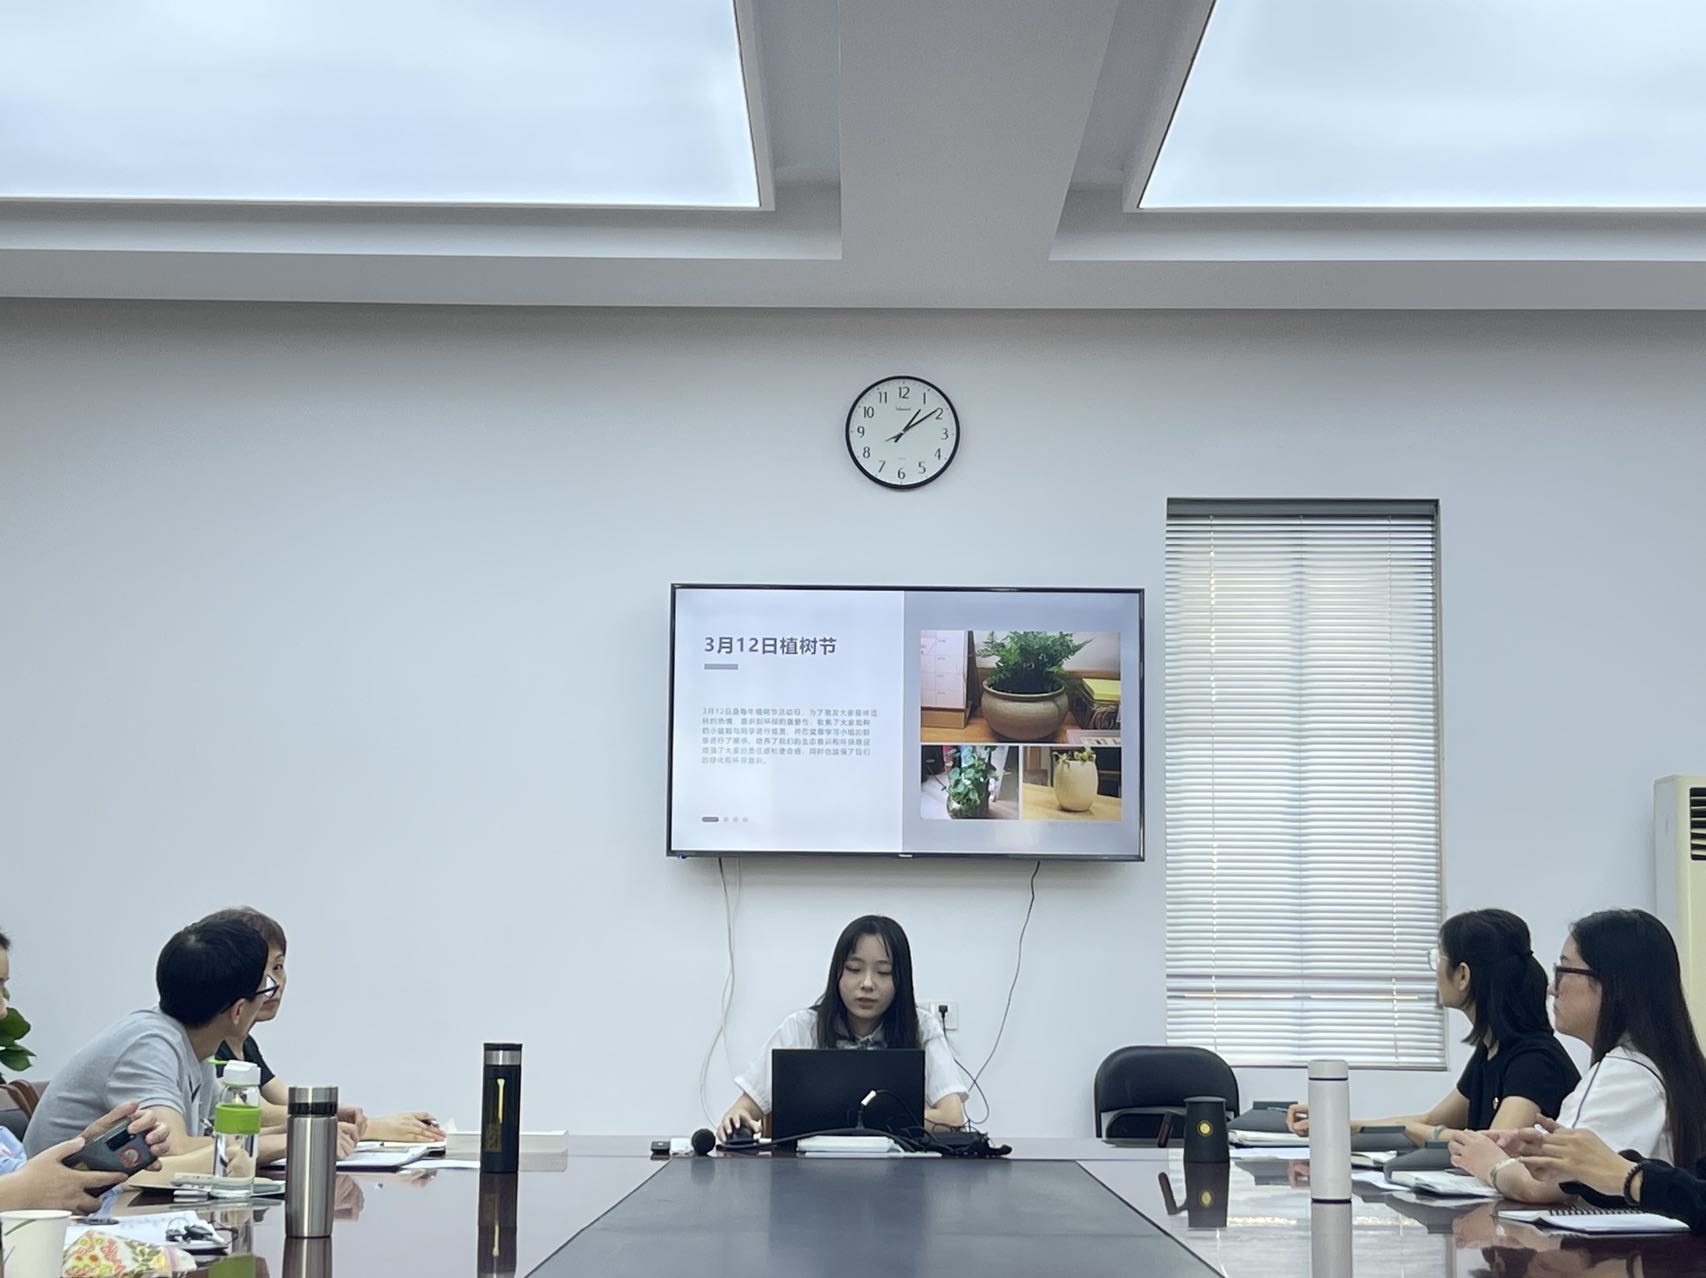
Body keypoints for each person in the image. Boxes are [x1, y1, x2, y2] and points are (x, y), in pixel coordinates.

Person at [23, 918, 354, 1173]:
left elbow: (222, 1134)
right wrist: (293, 1142)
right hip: (55, 1220)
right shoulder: (149, 1045)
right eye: (265, 987)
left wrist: (306, 1126)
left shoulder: (194, 1045)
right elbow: (175, 1149)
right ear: (238, 1010)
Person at [1450, 909, 1706, 1202]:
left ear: (1613, 985)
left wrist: (1491, 1164)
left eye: (1564, 971)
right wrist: (1531, 1148)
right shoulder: (1655, 1065)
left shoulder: (1624, 1072)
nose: (1551, 988)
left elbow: (1546, 1184)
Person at [1287, 909, 1578, 1145]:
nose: (1435, 971)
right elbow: (1432, 1121)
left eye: (1438, 959)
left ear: (1462, 975)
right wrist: (1336, 1125)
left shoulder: (1535, 1061)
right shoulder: (1492, 1050)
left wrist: (1416, 1131)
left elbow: (1496, 1144)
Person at [200, 907, 444, 1144]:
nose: (273, 984)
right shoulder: (213, 1041)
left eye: (278, 967)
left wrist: (360, 1118)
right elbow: (256, 1113)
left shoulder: (245, 1043)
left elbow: (287, 1100)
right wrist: (372, 1128)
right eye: (258, 973)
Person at [717, 915, 969, 1140]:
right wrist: (737, 1118)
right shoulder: (801, 1028)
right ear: (837, 973)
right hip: (807, 1171)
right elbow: (744, 1108)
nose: (867, 984)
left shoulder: (921, 1028)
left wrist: (858, 1119)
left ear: (901, 980)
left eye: (883, 972)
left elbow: (952, 1118)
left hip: (899, 1169)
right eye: (854, 969)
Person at [0, 927, 170, 1211]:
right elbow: (27, 1191)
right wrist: (23, 1191)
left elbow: (38, 1195)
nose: (3, 1011)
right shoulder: (149, 1040)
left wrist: (86, 1155)